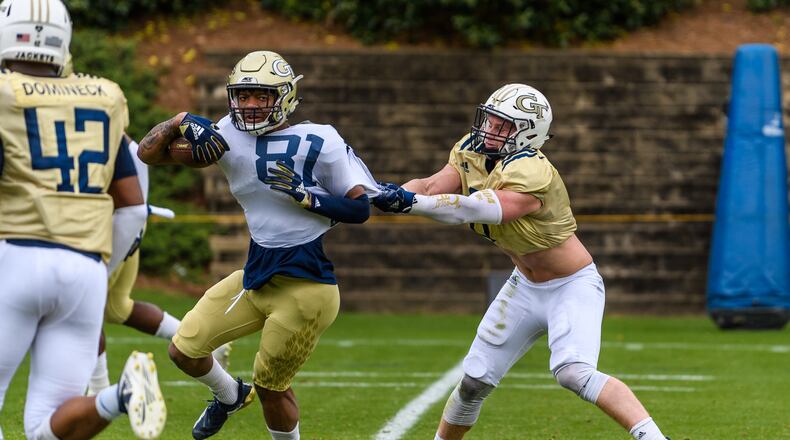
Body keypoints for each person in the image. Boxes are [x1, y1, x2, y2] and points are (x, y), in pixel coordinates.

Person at [373, 83, 669, 440]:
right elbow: (433, 187)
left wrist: (409, 204)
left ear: (528, 132)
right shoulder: (472, 150)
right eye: (491, 121)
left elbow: (479, 208)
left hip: (571, 284)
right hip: (524, 285)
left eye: (502, 126)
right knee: (472, 383)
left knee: (573, 372)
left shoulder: (533, 171)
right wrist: (386, 193)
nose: (490, 130)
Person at [138, 50, 378, 440]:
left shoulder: (319, 139)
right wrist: (178, 120)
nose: (249, 105)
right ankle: (230, 395)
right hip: (256, 276)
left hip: (307, 287)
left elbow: (359, 208)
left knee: (271, 386)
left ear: (283, 96)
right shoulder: (226, 134)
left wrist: (308, 197)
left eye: (261, 96)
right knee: (183, 351)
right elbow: (149, 154)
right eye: (243, 95)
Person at [0, 0, 165, 439]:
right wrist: (99, 272)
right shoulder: (105, 96)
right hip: (84, 270)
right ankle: (121, 394)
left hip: (14, 256)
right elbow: (131, 206)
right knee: (45, 426)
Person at [86, 134, 231, 396]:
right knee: (118, 308)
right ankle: (203, 342)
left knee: (86, 304)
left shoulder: (100, 123)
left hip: (110, 228)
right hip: (125, 224)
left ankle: (98, 391)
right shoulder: (103, 123)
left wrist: (134, 212)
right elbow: (138, 154)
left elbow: (137, 153)